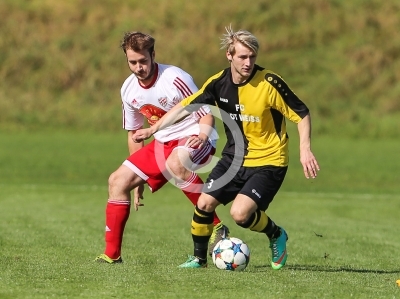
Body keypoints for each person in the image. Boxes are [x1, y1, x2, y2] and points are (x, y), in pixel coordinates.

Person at [132, 26, 320, 270]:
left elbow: (302, 114)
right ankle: (199, 259)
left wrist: (305, 149)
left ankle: (276, 234)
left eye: (252, 56)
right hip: (234, 158)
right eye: (242, 56)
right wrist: (152, 130)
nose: (248, 62)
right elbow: (185, 106)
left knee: (240, 215)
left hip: (269, 160)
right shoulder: (219, 83)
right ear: (229, 56)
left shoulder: (270, 83)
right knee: (204, 204)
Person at [95, 31, 230, 264]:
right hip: (161, 144)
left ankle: (216, 227)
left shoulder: (175, 78)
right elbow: (135, 134)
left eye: (143, 61)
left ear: (153, 55)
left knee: (176, 163)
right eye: (133, 62)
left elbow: (206, 116)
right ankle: (112, 255)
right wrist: (138, 179)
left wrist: (202, 137)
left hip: (195, 136)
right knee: (117, 181)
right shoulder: (128, 89)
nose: (139, 67)